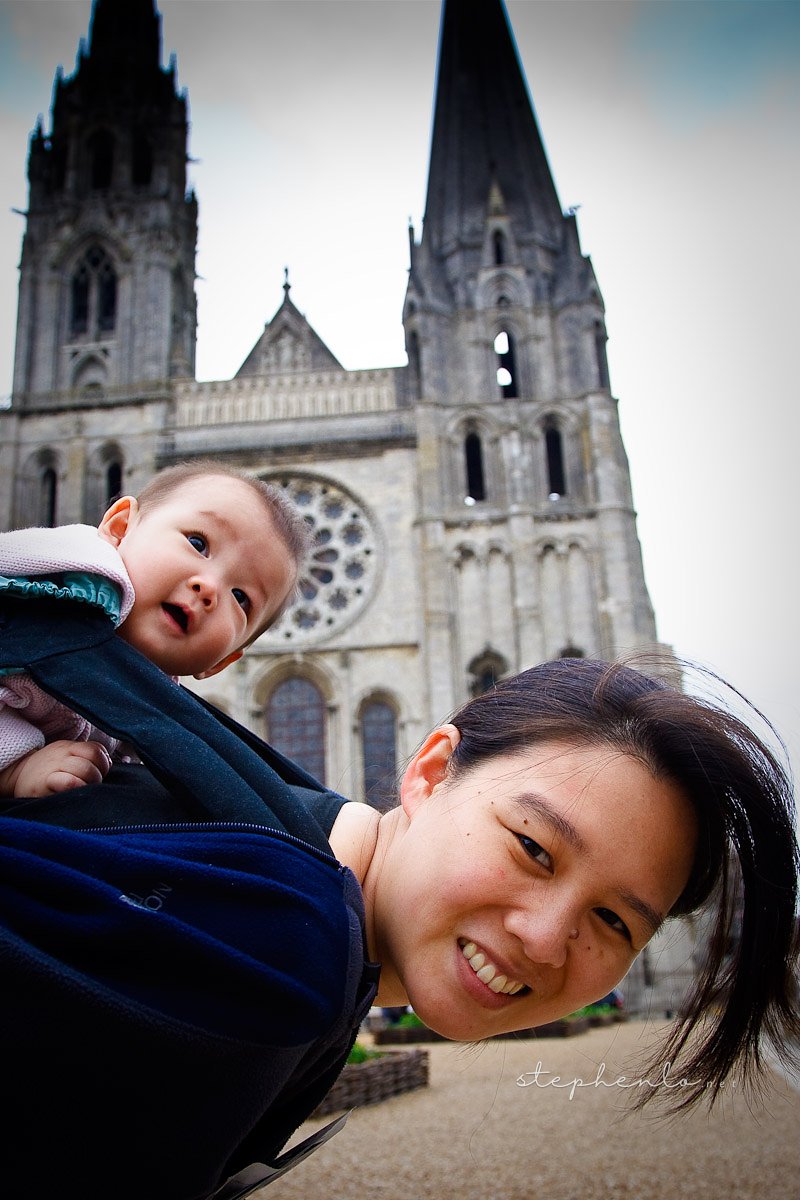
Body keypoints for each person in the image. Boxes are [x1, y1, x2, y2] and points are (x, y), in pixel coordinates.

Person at [0, 644, 798, 1198]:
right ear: (429, 771)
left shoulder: (291, 870)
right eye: (533, 847)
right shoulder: (286, 948)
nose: (546, 938)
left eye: (615, 923)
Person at [0, 460, 310, 798]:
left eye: (240, 597)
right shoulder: (65, 584)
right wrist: (16, 768)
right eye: (198, 543)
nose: (209, 588)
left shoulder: (154, 705)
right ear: (120, 527)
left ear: (220, 662)